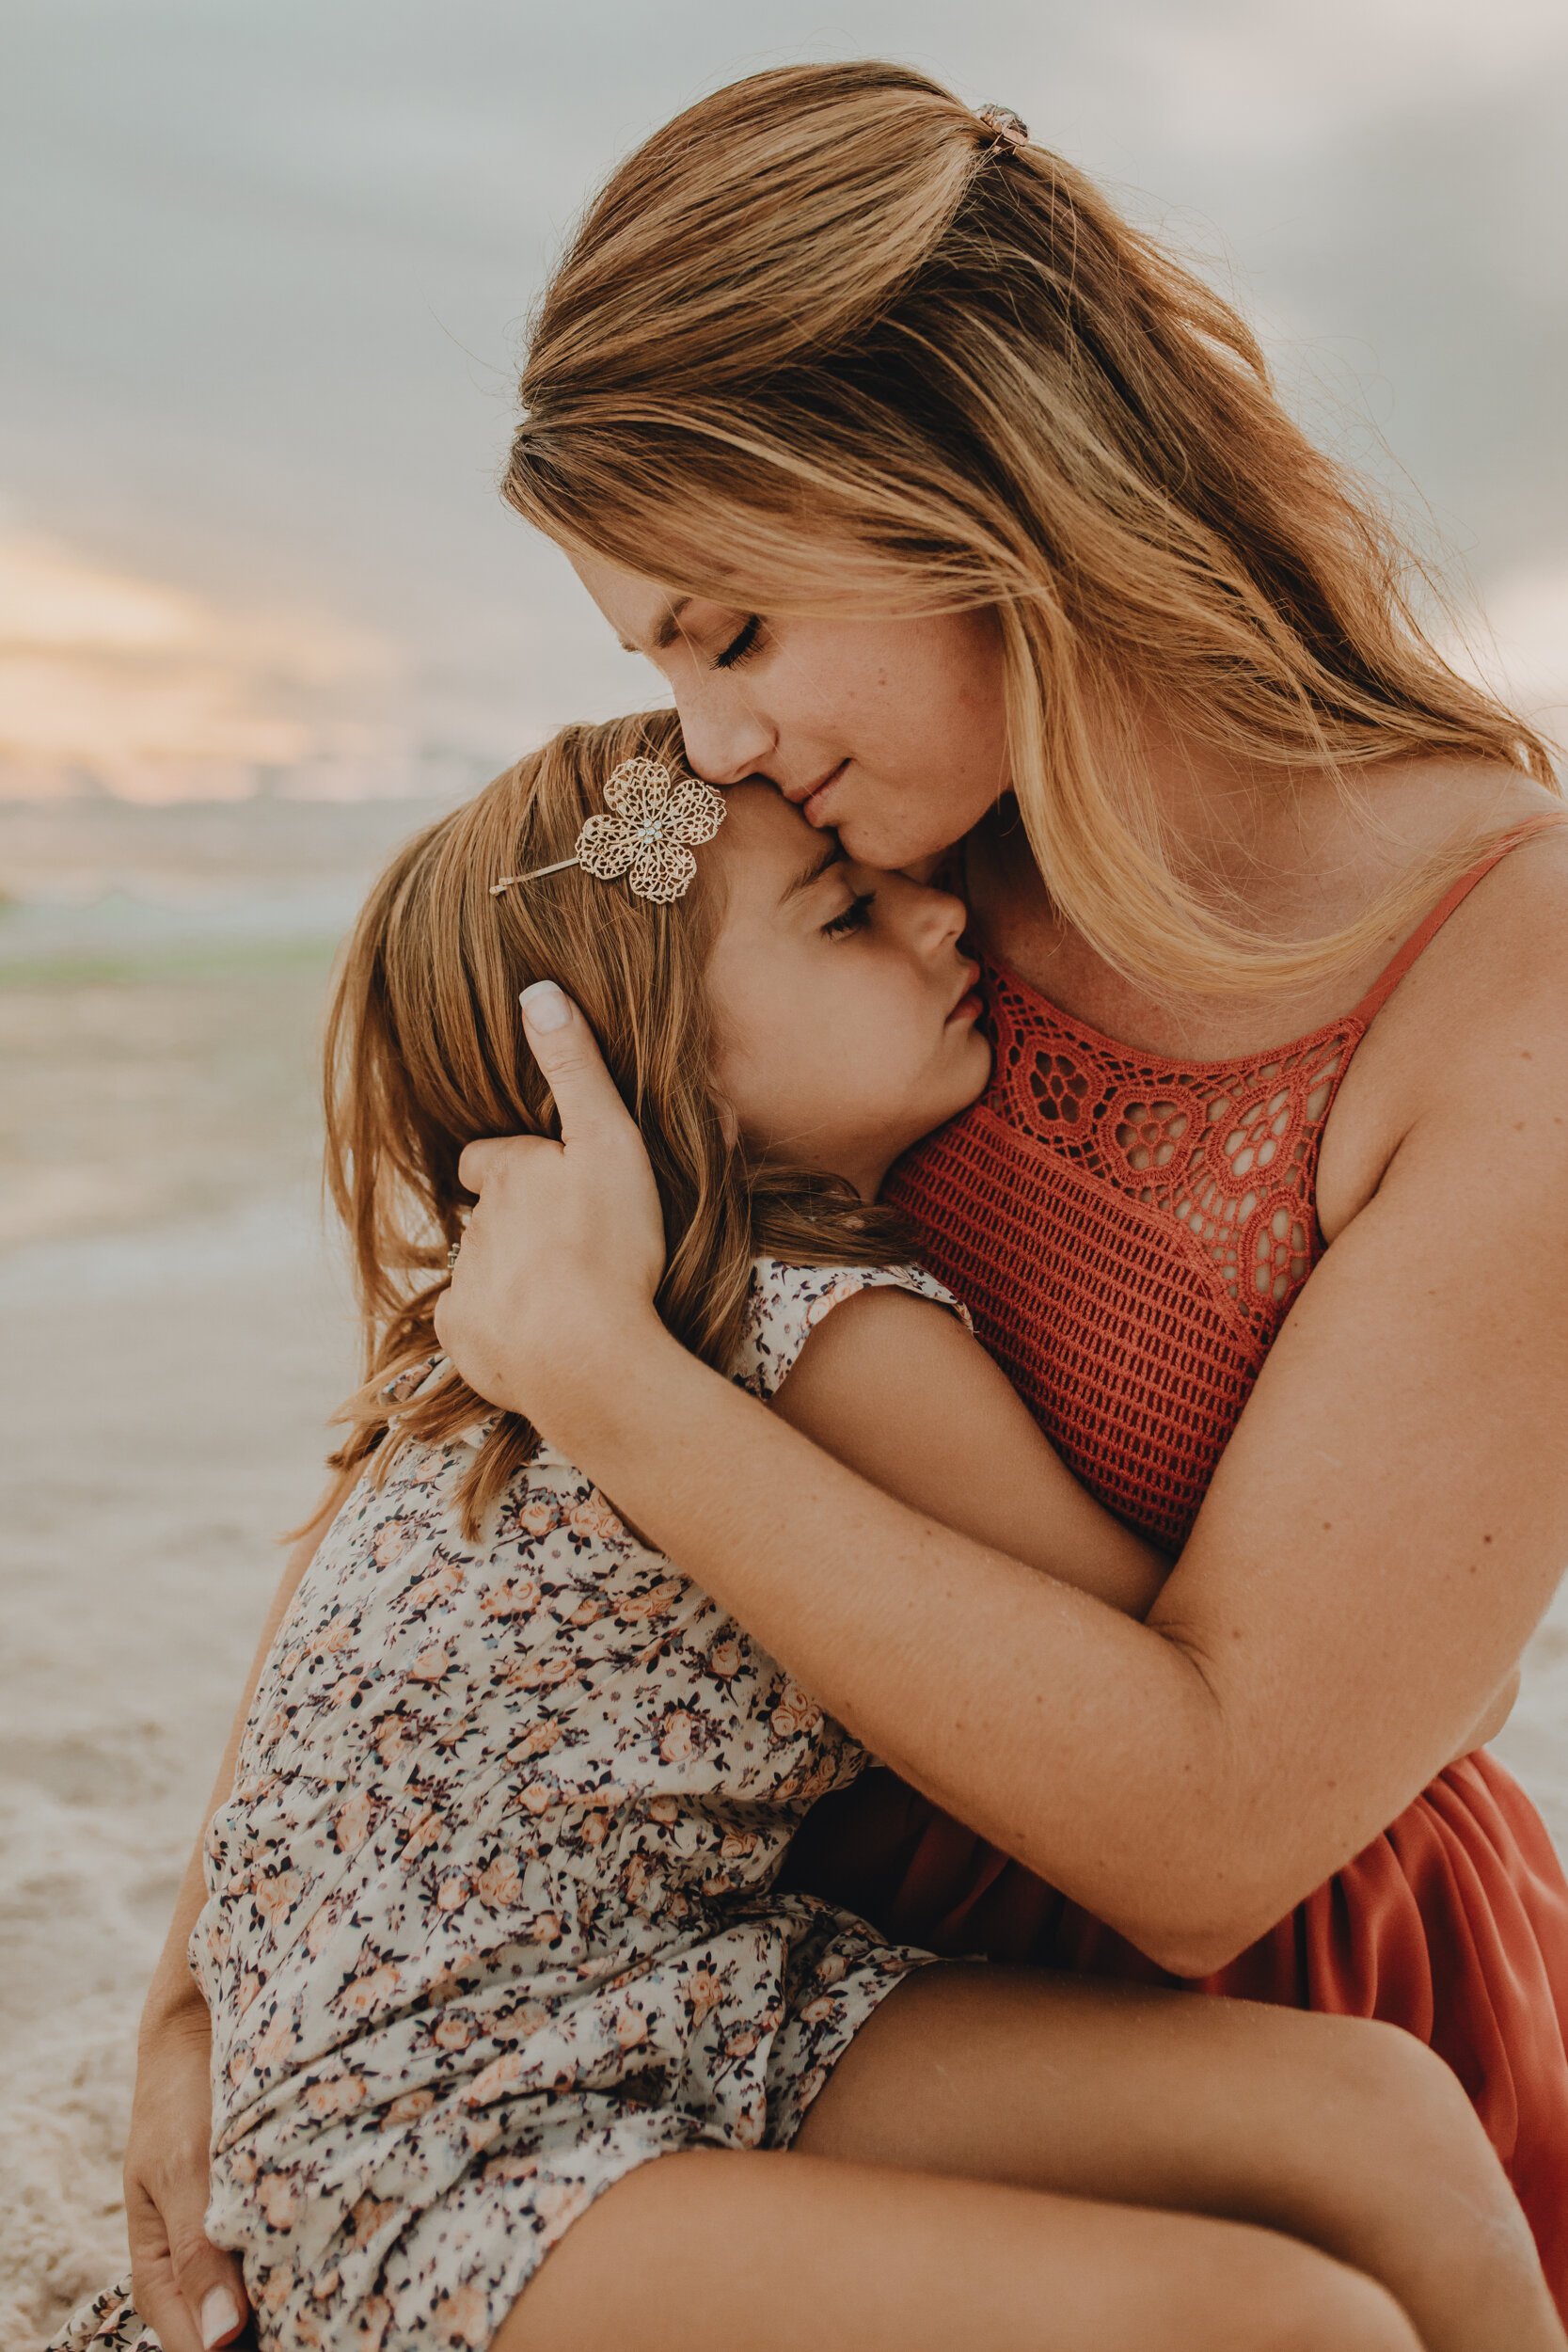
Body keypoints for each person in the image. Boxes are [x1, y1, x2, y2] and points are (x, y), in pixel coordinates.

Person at [121, 55, 1568, 2344]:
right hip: (720, 1984)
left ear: (977, 483)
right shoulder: (854, 857)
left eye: (730, 626)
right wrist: (218, 1960)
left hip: (1211, 2005)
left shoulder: (1501, 978)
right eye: (657, 660)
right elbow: (472, 1397)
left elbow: (1213, 1839)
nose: (704, 741)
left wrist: (618, 1380)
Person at [57, 714, 1566, 2352]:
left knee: (1377, 2119)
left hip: (690, 1986)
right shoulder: (826, 1333)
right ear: (657, 1070)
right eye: (848, 915)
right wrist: (1450, 1668)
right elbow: (1258, 1684)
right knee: (1285, 2321)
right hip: (438, 2116)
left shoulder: (531, 1313)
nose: (943, 919)